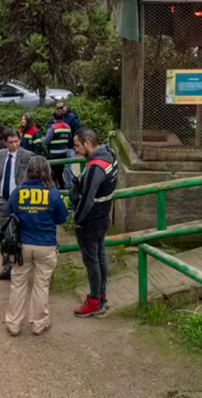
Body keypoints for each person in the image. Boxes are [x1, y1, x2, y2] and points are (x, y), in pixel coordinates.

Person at [4, 156, 67, 336]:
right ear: (47, 171)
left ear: (28, 170)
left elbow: (8, 212)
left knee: (18, 283)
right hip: (46, 244)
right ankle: (39, 323)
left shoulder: (19, 191)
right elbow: (62, 218)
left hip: (22, 245)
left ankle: (13, 323)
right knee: (41, 284)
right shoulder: (54, 193)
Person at [70, 127, 118, 318]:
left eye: (77, 146)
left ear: (87, 143)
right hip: (104, 215)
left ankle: (94, 301)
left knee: (92, 262)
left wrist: (77, 219)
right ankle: (102, 295)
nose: (75, 150)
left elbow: (87, 199)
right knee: (101, 256)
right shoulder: (110, 156)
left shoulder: (94, 167)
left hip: (90, 221)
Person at [0, 129, 35, 280]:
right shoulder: (1, 154)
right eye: (11, 142)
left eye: (16, 141)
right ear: (5, 142)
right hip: (3, 200)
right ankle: (7, 267)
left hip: (20, 201)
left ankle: (22, 267)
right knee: (4, 235)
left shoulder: (28, 156)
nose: (14, 145)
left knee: (20, 234)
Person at [53, 102, 82, 187]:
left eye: (61, 108)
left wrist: (73, 142)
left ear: (65, 107)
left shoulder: (72, 118)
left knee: (68, 166)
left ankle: (70, 186)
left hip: (69, 146)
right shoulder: (58, 118)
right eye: (57, 108)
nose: (59, 110)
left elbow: (78, 130)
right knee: (63, 168)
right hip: (61, 147)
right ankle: (67, 185)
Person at [43, 111, 72, 189]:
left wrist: (40, 139)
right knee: (59, 174)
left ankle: (54, 190)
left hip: (53, 154)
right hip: (63, 154)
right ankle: (63, 188)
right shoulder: (68, 127)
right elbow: (69, 139)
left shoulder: (53, 128)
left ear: (53, 118)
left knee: (53, 175)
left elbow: (46, 141)